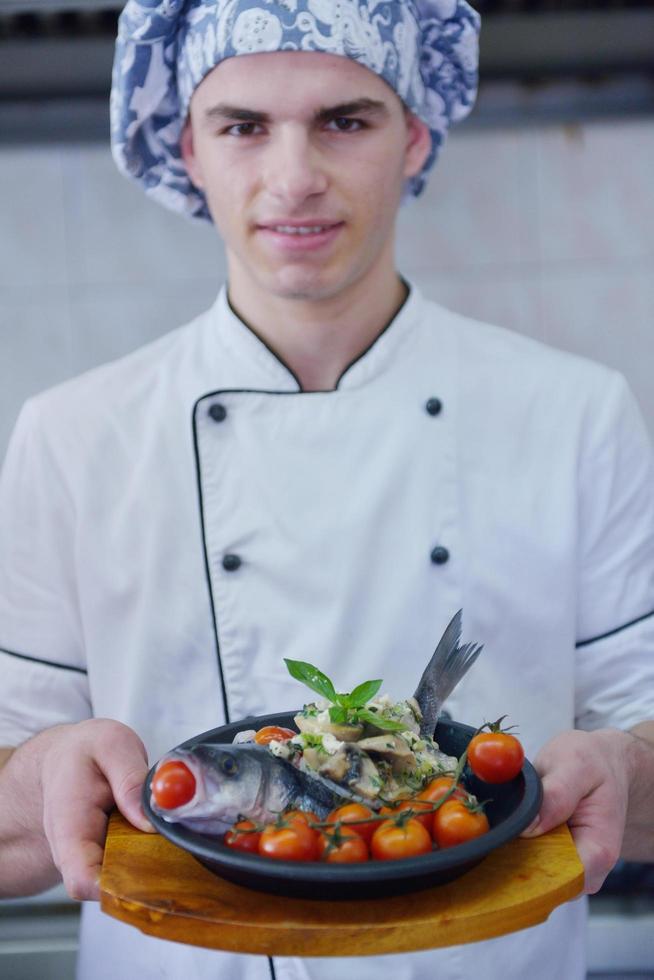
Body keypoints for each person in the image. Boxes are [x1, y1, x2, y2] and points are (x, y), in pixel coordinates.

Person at [1, 1, 653, 978]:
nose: (295, 177)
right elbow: (10, 839)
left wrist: (630, 768)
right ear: (189, 147)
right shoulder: (72, 434)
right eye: (243, 126)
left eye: (345, 120)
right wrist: (41, 775)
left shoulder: (575, 412)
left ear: (414, 139)